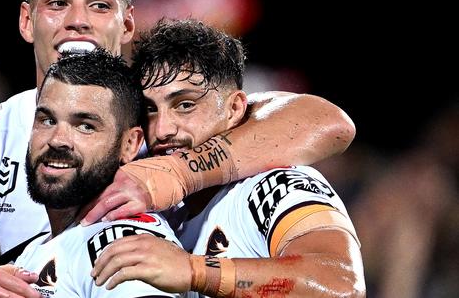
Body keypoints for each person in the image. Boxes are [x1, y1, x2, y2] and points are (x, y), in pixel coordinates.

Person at [0, 0, 356, 297]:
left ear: (127, 25)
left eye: (99, 4)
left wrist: (178, 174)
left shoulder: (165, 112)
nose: (77, 19)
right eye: (58, 2)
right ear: (27, 21)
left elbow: (326, 121)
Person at [91, 19, 365, 297]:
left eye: (185, 105)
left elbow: (341, 285)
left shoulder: (276, 184)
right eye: (150, 109)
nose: (162, 130)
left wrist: (195, 271)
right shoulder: (157, 208)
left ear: (234, 108)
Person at [14, 49, 182, 297]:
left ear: (129, 145)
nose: (58, 140)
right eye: (47, 120)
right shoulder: (42, 244)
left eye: (85, 126)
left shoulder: (123, 242)